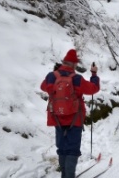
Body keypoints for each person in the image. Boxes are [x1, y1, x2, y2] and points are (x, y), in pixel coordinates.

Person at [40, 49, 100, 178]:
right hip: (75, 119)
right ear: (74, 64)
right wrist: (94, 74)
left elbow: (43, 87)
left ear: (63, 61)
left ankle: (64, 175)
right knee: (72, 150)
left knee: (62, 149)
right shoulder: (77, 79)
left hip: (57, 118)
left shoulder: (52, 76)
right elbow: (93, 89)